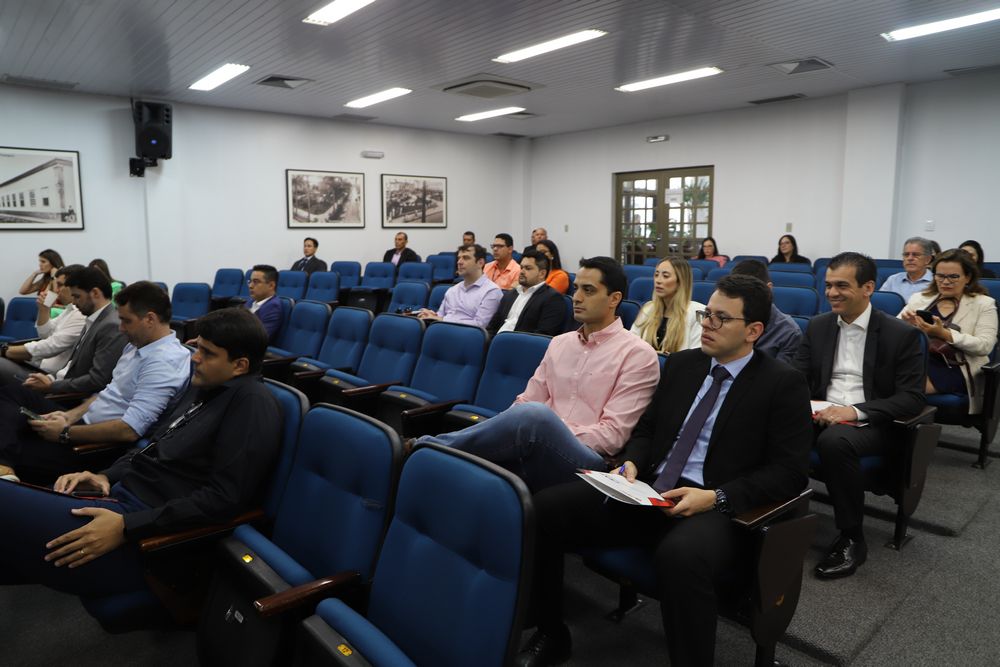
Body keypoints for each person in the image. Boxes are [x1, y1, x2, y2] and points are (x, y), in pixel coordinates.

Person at [518, 274, 812, 667]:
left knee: (680, 556)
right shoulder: (684, 364)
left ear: (753, 331)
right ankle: (552, 633)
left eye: (722, 318)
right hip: (650, 490)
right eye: (707, 314)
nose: (707, 324)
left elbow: (790, 472)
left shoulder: (782, 384)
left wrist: (716, 497)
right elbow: (648, 429)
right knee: (544, 507)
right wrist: (633, 461)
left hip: (715, 506)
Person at [0, 308, 281, 606]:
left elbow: (223, 499)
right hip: (119, 502)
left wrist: (128, 525)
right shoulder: (209, 390)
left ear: (239, 365)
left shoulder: (252, 403)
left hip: (143, 537)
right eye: (197, 347)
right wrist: (104, 475)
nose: (195, 358)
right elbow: (153, 446)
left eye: (207, 353)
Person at [416, 257, 660, 493]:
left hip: (590, 461)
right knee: (471, 472)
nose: (576, 297)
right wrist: (533, 430)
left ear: (614, 299)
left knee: (536, 417)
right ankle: (432, 455)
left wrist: (550, 430)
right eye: (576, 288)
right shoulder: (560, 343)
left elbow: (611, 437)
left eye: (588, 290)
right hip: (536, 441)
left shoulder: (637, 354)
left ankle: (425, 447)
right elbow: (527, 400)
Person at [793, 252, 925, 580]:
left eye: (841, 285)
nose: (831, 293)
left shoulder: (900, 334)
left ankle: (852, 537)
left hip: (872, 422)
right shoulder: (819, 326)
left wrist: (852, 411)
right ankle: (772, 515)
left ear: (868, 288)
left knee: (835, 441)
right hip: (819, 413)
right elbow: (796, 377)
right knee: (767, 423)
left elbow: (912, 398)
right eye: (828, 285)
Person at [0, 281, 192, 484]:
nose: (121, 328)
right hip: (81, 423)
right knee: (13, 393)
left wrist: (65, 433)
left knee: (16, 442)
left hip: (96, 446)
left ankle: (4, 463)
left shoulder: (163, 362)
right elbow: (107, 392)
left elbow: (129, 430)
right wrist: (69, 416)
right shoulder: (136, 346)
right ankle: (4, 460)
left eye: (126, 321)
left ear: (150, 319)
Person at [899, 249, 998, 411]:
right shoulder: (920, 299)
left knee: (905, 386)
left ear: (968, 277)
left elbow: (984, 346)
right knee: (885, 376)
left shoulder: (984, 304)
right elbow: (893, 332)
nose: (945, 282)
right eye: (940, 276)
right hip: (919, 360)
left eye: (953, 276)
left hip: (958, 366)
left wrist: (944, 334)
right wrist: (906, 326)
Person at [16, 267, 127, 396]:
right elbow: (70, 367)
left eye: (77, 296)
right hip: (59, 384)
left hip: (67, 397)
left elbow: (98, 380)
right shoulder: (93, 319)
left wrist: (51, 386)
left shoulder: (110, 325)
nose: (73, 302)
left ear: (95, 293)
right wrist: (50, 379)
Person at [0, 265, 86, 383]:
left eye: (60, 285)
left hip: (47, 377)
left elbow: (51, 346)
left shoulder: (80, 315)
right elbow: (45, 335)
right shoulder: (70, 310)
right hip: (38, 367)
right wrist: (44, 310)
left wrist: (5, 351)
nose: (56, 290)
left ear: (74, 287)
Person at [730, 260, 802, 364]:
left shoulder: (789, 333)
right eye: (737, 295)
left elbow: (782, 373)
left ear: (768, 289)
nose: (743, 301)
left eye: (750, 294)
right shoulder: (725, 321)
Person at [416, 244, 502, 326]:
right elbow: (440, 316)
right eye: (459, 258)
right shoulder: (452, 290)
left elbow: (479, 324)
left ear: (480, 263)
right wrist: (431, 315)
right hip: (443, 330)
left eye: (466, 258)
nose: (459, 262)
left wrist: (442, 320)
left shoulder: (491, 291)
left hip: (467, 335)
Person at [630, 257, 703, 353]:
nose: (658, 280)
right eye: (656, 275)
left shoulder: (697, 313)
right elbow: (631, 345)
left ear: (680, 281)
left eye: (665, 276)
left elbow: (696, 356)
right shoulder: (648, 308)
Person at [486, 249, 565, 337]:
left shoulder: (552, 299)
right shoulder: (510, 295)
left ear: (542, 274)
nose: (522, 272)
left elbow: (542, 335)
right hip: (497, 341)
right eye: (521, 267)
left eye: (528, 268)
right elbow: (492, 327)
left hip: (521, 344)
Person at [881, 237, 934, 302]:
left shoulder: (936, 282)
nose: (910, 258)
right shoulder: (893, 280)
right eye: (906, 255)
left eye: (916, 255)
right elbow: (881, 303)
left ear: (928, 259)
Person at [244, 264, 282, 342]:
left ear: (271, 285)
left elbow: (259, 339)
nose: (250, 286)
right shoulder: (251, 301)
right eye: (250, 281)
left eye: (256, 282)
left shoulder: (273, 307)